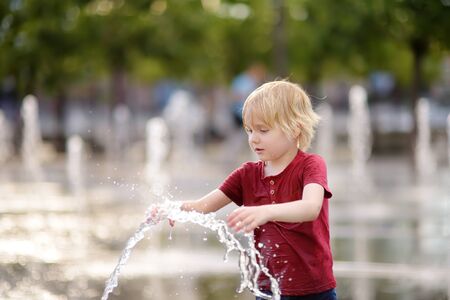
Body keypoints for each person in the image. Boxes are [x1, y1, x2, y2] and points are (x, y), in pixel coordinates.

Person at [161, 80, 337, 299]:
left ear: (294, 129)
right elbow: (203, 206)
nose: (253, 139)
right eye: (249, 130)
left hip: (312, 290)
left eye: (263, 130)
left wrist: (266, 211)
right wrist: (173, 208)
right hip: (266, 288)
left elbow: (311, 207)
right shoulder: (247, 175)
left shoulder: (311, 165)